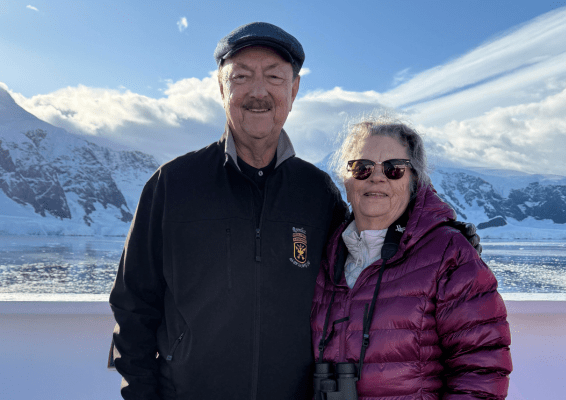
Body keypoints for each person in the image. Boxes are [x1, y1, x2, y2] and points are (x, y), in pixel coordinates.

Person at [109, 22, 481, 400]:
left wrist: (440, 234)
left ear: (294, 89)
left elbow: (372, 239)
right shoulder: (174, 184)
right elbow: (133, 306)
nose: (258, 91)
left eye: (274, 76)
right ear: (222, 88)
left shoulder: (316, 192)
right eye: (242, 76)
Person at [311, 115, 512, 399]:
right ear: (346, 179)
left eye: (394, 169)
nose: (377, 176)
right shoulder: (324, 255)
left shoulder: (448, 253)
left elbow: (482, 369)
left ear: (413, 180)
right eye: (361, 167)